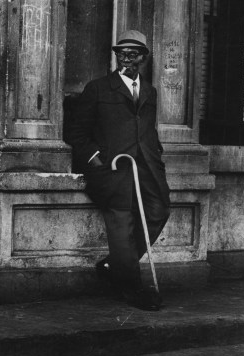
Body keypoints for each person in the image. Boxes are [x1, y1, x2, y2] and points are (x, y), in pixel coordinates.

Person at [64, 30, 170, 311]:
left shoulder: (150, 91)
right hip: (112, 169)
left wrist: (156, 155)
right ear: (116, 57)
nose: (126, 59)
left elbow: (147, 129)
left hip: (145, 167)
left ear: (143, 59)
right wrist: (97, 160)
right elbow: (77, 132)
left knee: (159, 210)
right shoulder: (98, 88)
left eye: (133, 54)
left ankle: (115, 265)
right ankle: (131, 288)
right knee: (122, 223)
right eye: (121, 54)